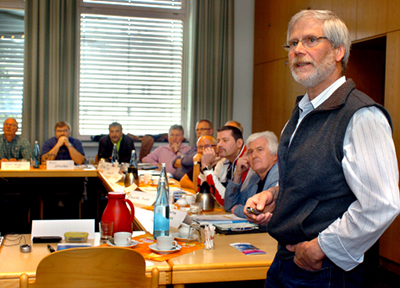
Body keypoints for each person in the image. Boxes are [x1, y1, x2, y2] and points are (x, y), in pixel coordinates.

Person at [244, 10, 400, 288]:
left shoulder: (362, 116)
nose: (298, 50)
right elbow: (315, 182)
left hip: (322, 270)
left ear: (339, 51)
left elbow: (381, 204)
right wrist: (273, 195)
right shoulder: (302, 112)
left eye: (311, 40)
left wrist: (320, 248)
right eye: (292, 44)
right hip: (283, 261)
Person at [224, 131, 278, 219]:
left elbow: (262, 212)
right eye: (250, 151)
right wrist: (237, 174)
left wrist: (238, 210)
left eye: (259, 150)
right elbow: (230, 205)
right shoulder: (255, 178)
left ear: (275, 156)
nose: (253, 156)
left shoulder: (278, 175)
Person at [198, 126, 248, 206]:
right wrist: (205, 169)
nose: (219, 145)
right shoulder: (224, 160)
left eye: (225, 140)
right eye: (218, 141)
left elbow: (225, 201)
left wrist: (206, 168)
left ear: (239, 143)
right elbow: (202, 191)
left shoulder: (246, 162)